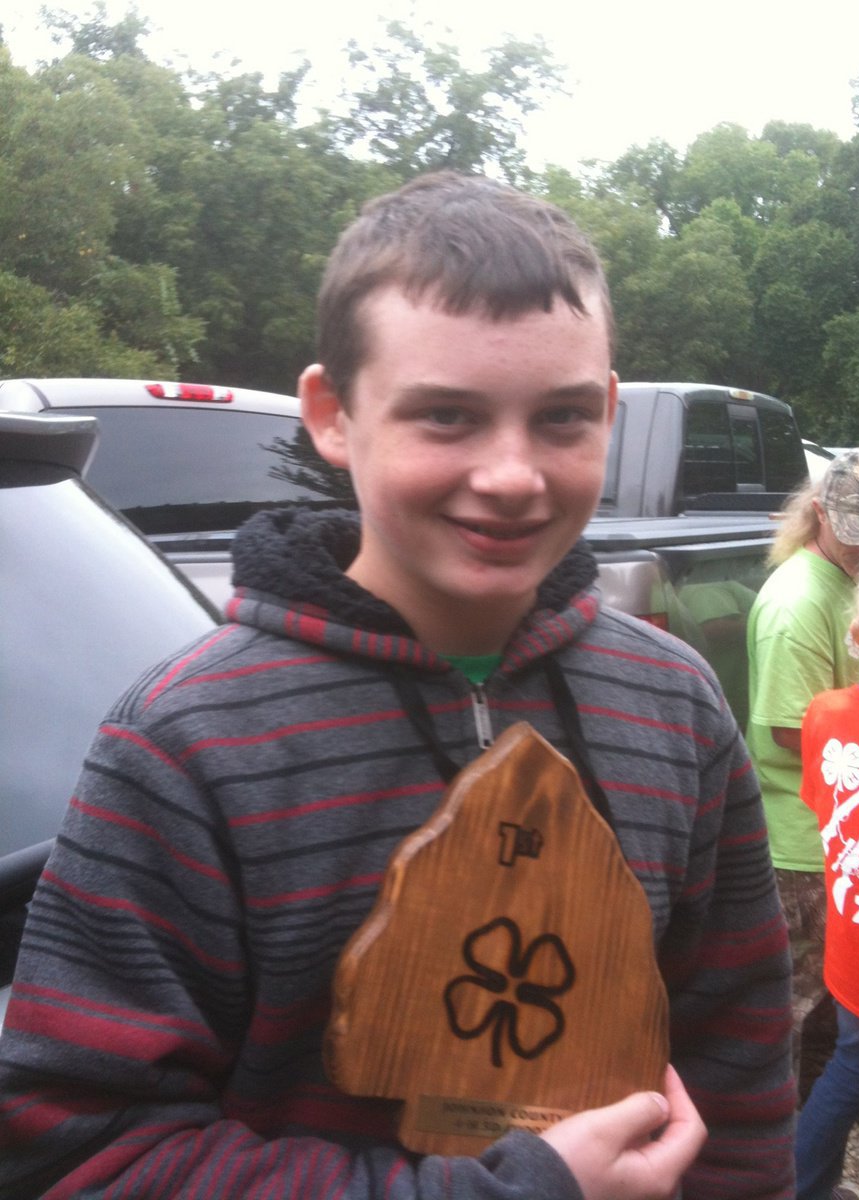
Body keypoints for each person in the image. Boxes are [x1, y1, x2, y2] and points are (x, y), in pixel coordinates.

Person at [0, 172, 792, 1198]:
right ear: (333, 415)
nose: (512, 474)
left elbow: (737, 1075)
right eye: (447, 417)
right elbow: (77, 1149)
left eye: (560, 419)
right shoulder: (189, 740)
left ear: (607, 410)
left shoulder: (674, 704)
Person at [746, 448, 859, 1103]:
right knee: (795, 1000)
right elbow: (786, 727)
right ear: (818, 516)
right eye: (857, 535)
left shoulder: (850, 578)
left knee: (835, 996)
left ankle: (829, 1093)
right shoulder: (797, 605)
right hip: (806, 841)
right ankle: (779, 1137)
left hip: (844, 834)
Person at [795, 558, 859, 1198]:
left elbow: (822, 806)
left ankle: (796, 1186)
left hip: (856, 944)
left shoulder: (825, 714)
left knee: (849, 1064)